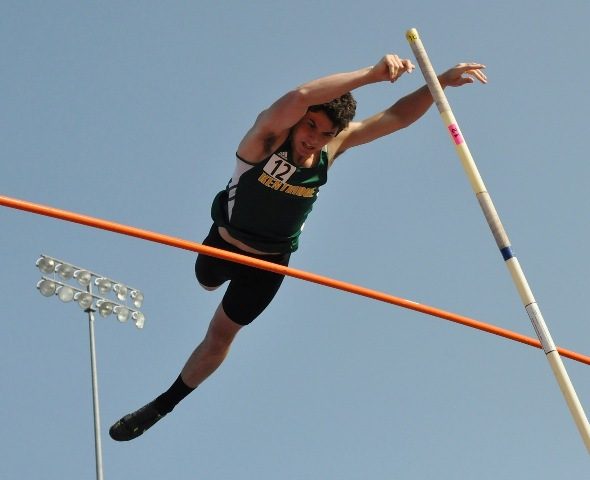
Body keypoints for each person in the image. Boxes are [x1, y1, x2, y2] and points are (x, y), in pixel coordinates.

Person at [109, 54, 487, 441]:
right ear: (299, 118)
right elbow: (302, 93)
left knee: (221, 336)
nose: (314, 138)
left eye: (326, 133)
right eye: (310, 125)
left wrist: (439, 81)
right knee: (205, 281)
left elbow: (395, 117)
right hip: (224, 244)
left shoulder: (330, 149)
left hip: (271, 263)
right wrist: (372, 74)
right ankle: (209, 280)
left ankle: (162, 405)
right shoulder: (266, 138)